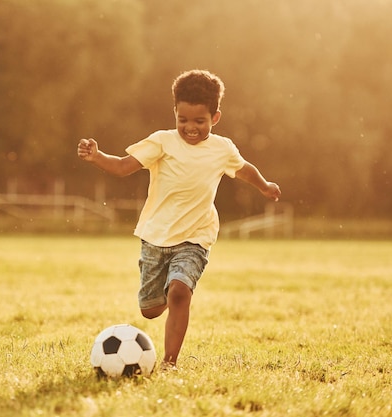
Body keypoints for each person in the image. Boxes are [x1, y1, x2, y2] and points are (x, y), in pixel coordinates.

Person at [77, 69, 281, 371]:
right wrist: (97, 157)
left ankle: (169, 363)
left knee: (180, 292)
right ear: (174, 112)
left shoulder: (222, 148)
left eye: (200, 121)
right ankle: (162, 299)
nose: (190, 127)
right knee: (149, 310)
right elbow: (122, 166)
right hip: (156, 237)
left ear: (216, 117)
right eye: (182, 119)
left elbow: (244, 168)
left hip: (196, 238)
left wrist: (264, 185)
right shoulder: (162, 142)